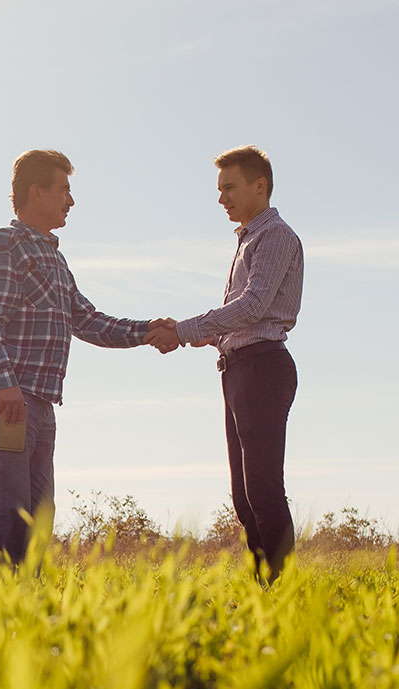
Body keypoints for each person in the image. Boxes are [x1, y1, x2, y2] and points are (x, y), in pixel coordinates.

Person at [0, 149, 171, 573]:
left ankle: (27, 612)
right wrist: (6, 385)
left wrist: (148, 330)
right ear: (36, 192)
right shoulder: (6, 243)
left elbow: (88, 320)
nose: (70, 202)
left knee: (38, 514)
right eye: (64, 190)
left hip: (38, 401)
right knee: (5, 508)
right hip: (7, 397)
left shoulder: (55, 259)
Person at [147, 145, 303, 582]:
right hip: (237, 367)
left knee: (263, 490)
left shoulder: (274, 236)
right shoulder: (248, 238)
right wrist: (210, 335)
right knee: (243, 495)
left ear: (260, 185)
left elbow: (254, 306)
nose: (222, 199)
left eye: (229, 188)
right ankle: (263, 585)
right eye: (220, 190)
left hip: (263, 368)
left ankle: (283, 588)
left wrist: (185, 330)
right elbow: (245, 313)